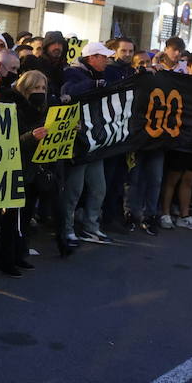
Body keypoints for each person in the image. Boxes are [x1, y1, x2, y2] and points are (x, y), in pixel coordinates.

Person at [0, 69, 49, 275]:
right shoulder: (13, 110)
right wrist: (31, 137)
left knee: (25, 218)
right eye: (36, 87)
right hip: (16, 169)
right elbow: (8, 143)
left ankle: (19, 255)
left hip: (33, 170)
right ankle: (6, 260)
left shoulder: (42, 109)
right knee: (12, 219)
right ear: (25, 89)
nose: (41, 91)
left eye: (43, 88)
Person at [60, 41, 115, 245]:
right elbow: (69, 93)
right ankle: (66, 228)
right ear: (92, 58)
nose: (107, 61)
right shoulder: (73, 73)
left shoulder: (100, 75)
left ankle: (91, 226)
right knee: (74, 189)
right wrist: (94, 85)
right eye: (103, 57)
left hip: (96, 140)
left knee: (99, 187)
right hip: (79, 142)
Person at [159, 55, 192, 229]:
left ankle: (184, 215)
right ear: (188, 66)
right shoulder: (178, 82)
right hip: (179, 141)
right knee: (172, 179)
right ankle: (165, 213)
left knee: (188, 180)